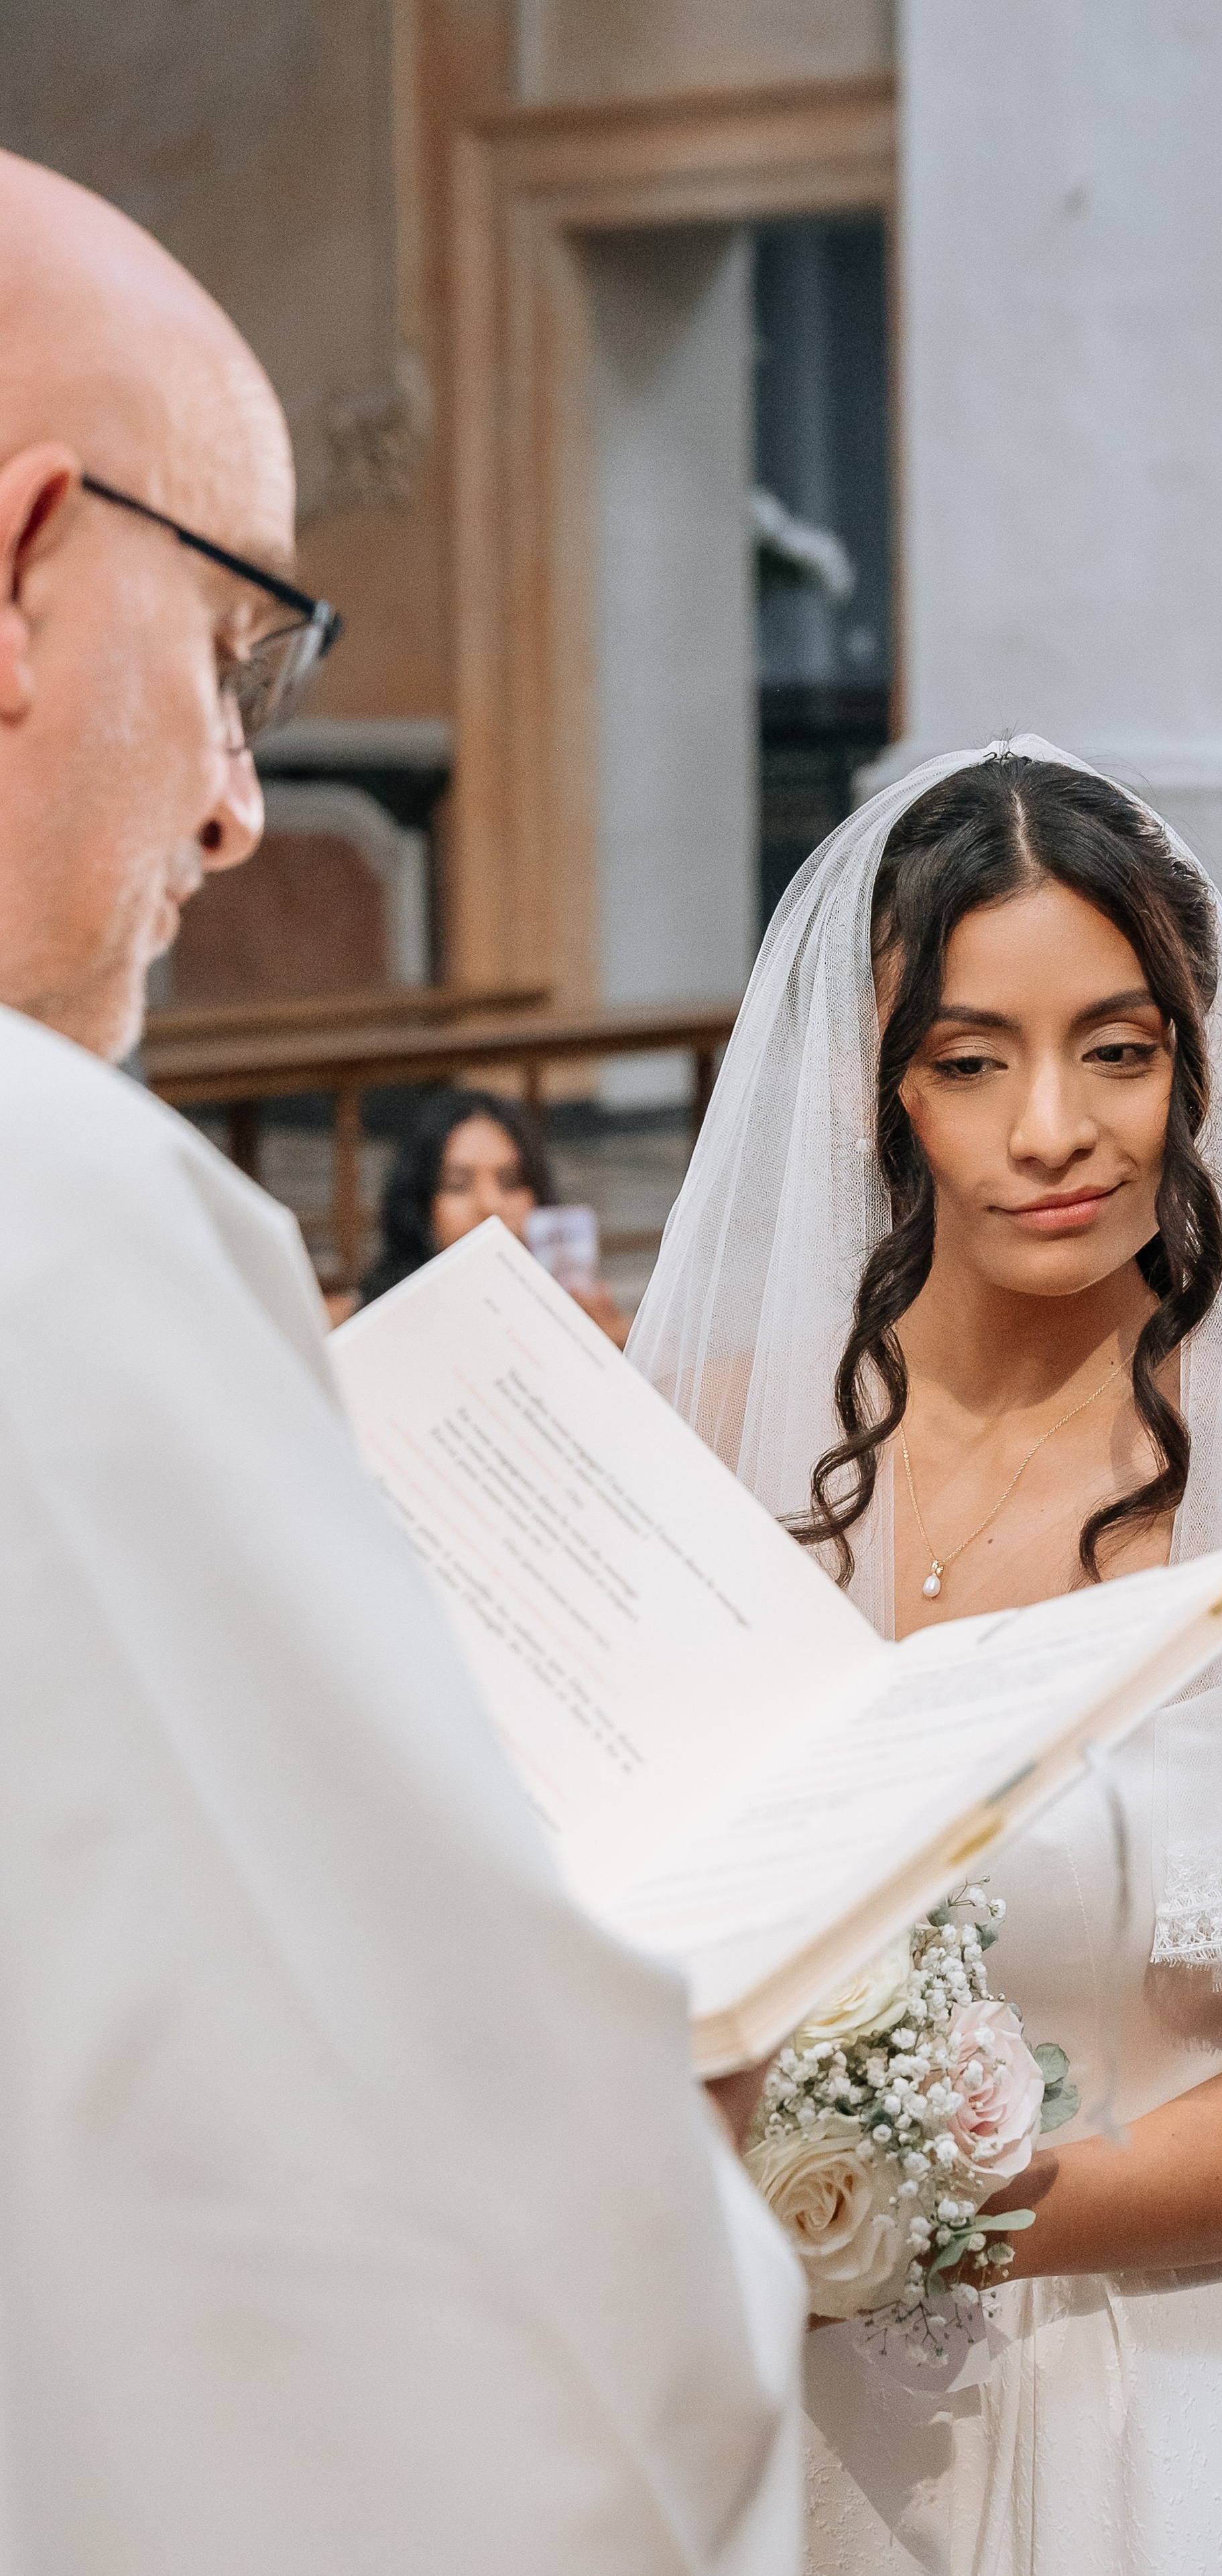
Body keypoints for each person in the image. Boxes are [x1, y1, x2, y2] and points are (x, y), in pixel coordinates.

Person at [0, 147, 801, 2573]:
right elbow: (504, 2365)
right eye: (234, 662)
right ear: (19, 569)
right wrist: (680, 2125)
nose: (240, 809)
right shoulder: (59, 1224)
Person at [628, 737, 1222, 2574]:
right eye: (971, 1061)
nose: (1049, 1128)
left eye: (1115, 1051)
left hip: (1179, 2416)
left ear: (1198, 1065)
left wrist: (953, 2215)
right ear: (879, 1087)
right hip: (758, 2404)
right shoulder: (711, 1451)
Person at [345, 1083, 629, 1342]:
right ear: (419, 1203)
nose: (490, 1205)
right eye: (458, 1185)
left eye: (510, 1183)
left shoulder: (576, 1314)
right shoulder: (380, 1324)